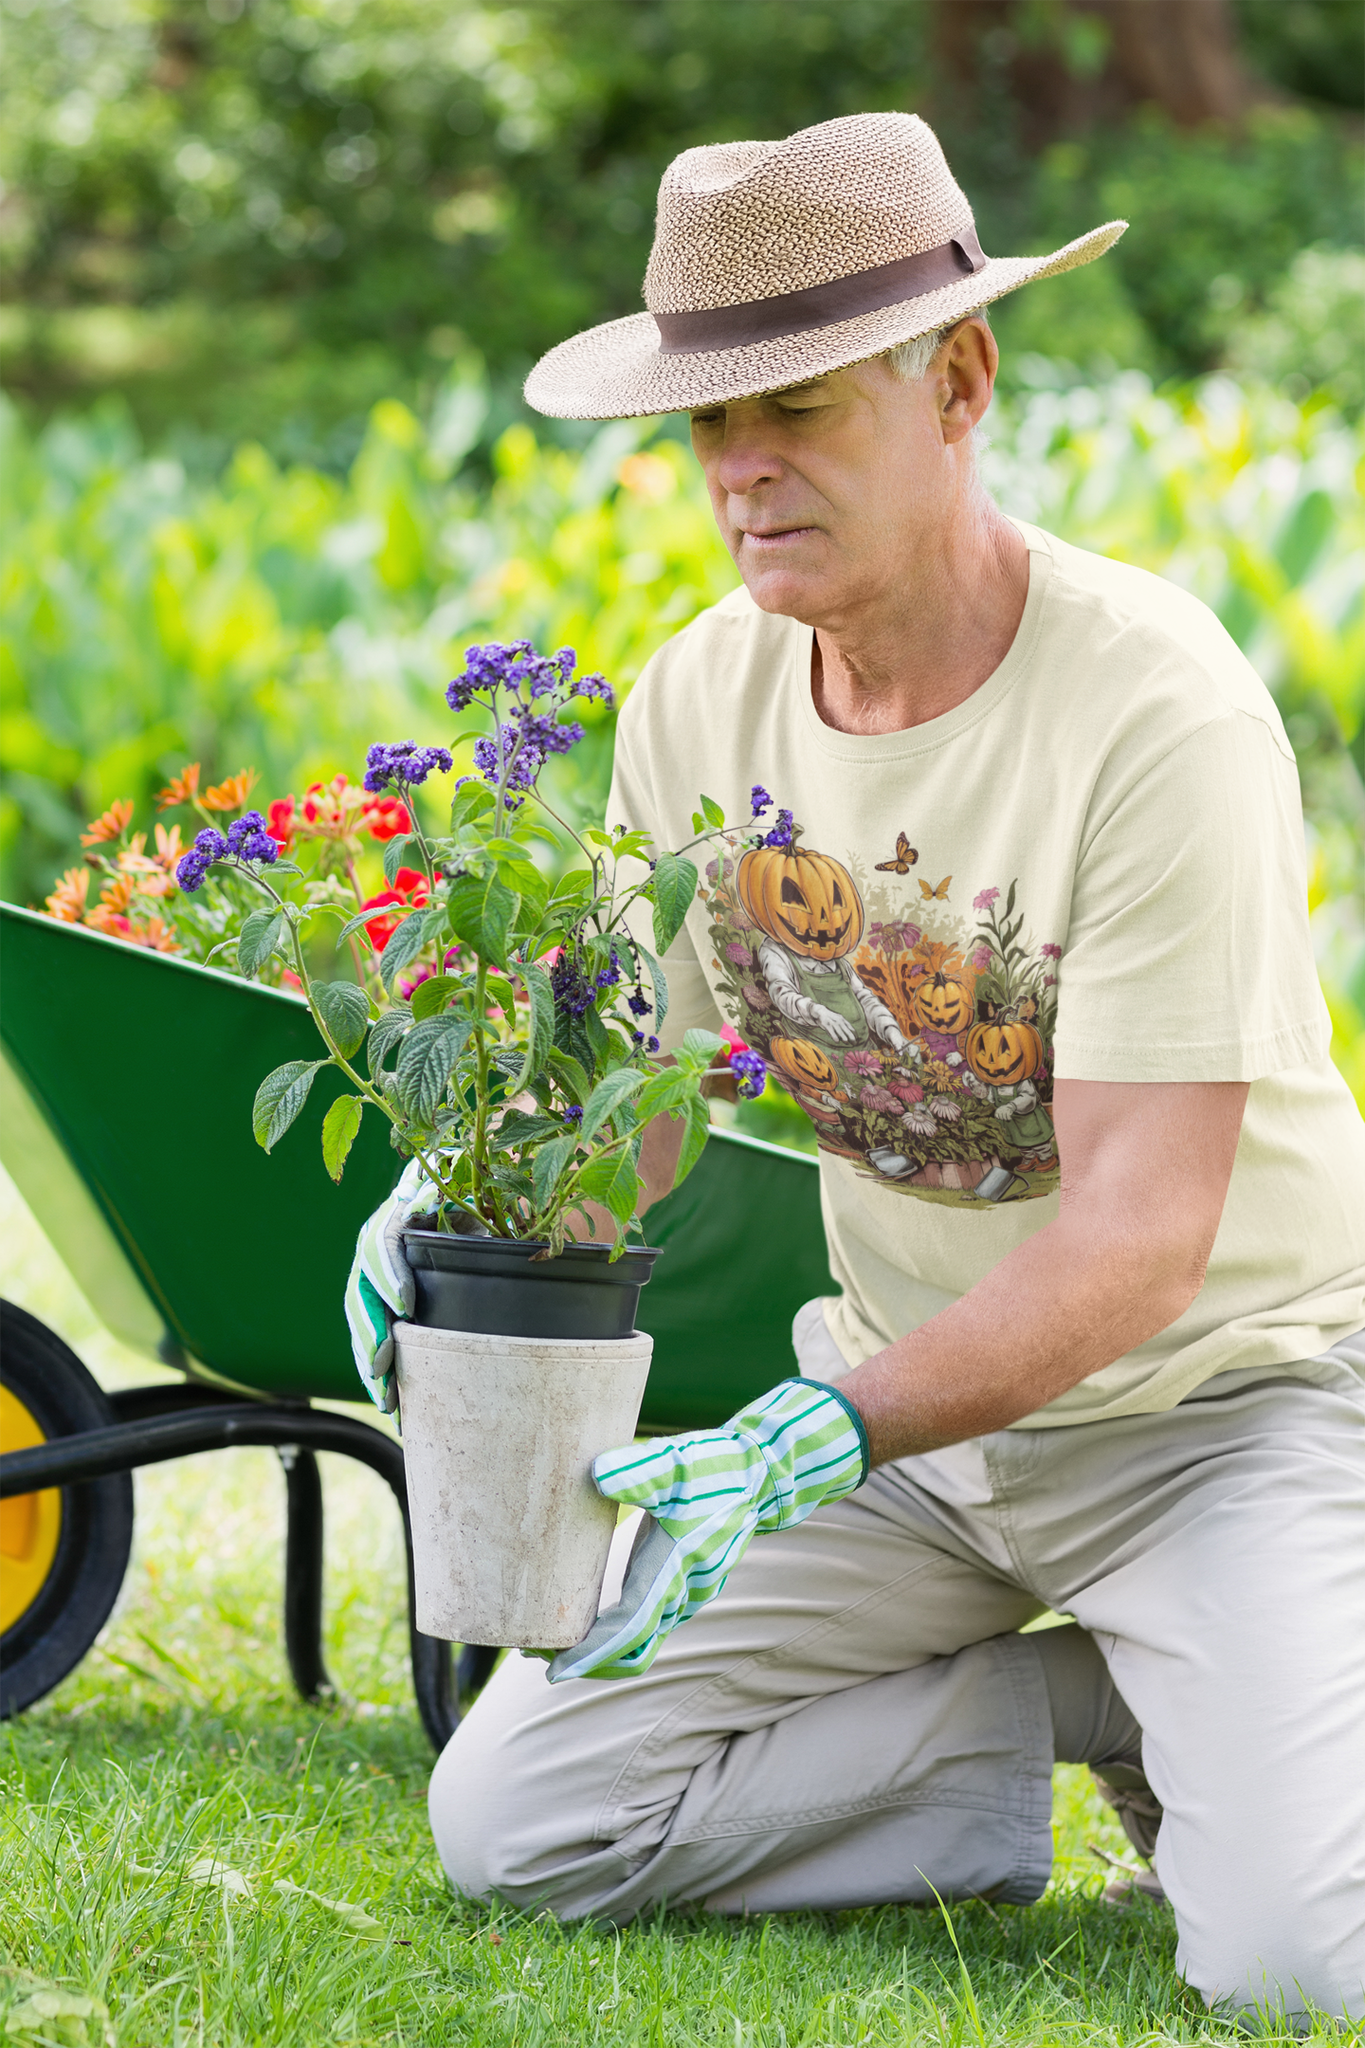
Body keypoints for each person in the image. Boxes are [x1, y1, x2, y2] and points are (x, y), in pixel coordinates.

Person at [424, 112, 1365, 2025]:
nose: (738, 472)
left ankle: (1227, 1660)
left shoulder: (1155, 707)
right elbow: (637, 1114)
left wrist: (826, 1433)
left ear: (959, 380)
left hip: (1213, 1412)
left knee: (1294, 1963)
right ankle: (1091, 1695)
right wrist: (469, 1223)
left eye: (797, 408)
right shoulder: (702, 694)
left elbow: (1140, 1243)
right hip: (908, 1438)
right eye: (705, 423)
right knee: (518, 1826)